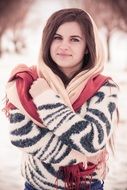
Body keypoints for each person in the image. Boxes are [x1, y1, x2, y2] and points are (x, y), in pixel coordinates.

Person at [4, 8, 119, 190]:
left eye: (74, 39)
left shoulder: (104, 88)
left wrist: (46, 99)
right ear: (47, 42)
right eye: (57, 37)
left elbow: (92, 140)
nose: (63, 46)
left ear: (88, 47)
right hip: (36, 185)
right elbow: (22, 135)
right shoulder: (28, 80)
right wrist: (80, 156)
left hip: (87, 186)